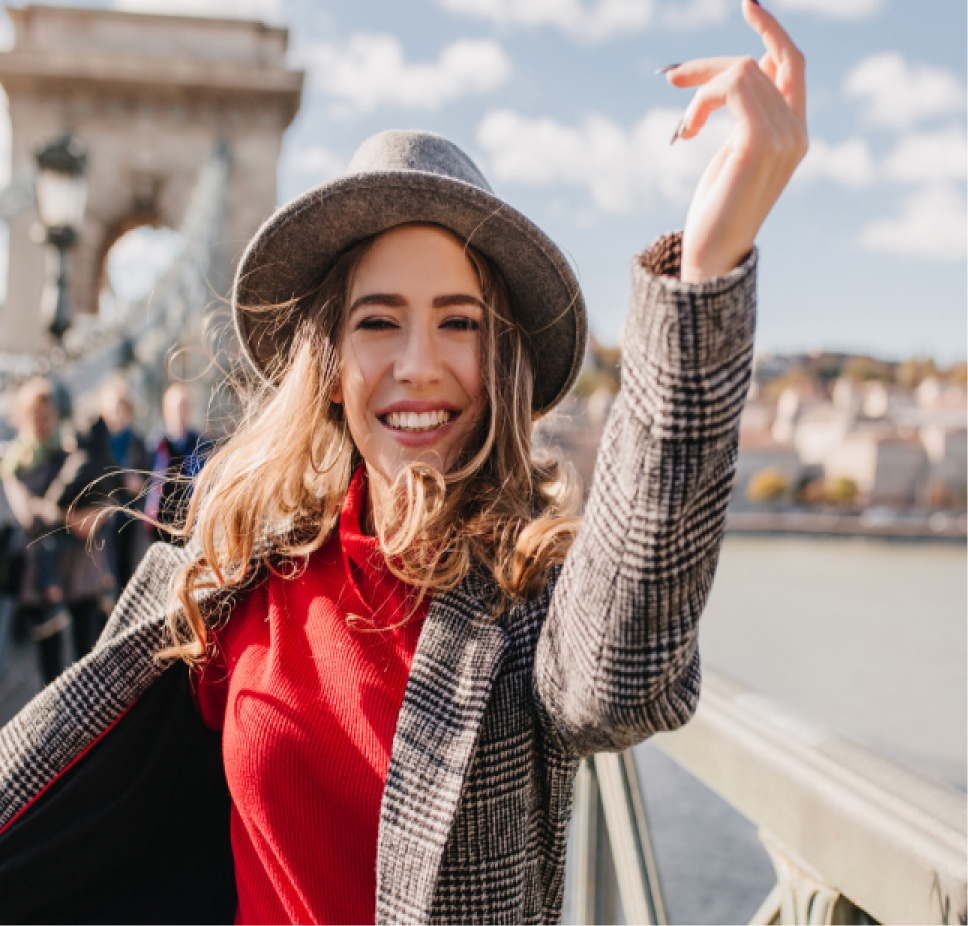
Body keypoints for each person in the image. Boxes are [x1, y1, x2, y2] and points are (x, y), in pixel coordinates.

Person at [0, 5, 807, 924]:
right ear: (332, 363)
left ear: (499, 357)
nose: (419, 362)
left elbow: (625, 675)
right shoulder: (229, 573)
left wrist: (702, 276)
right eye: (378, 320)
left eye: (459, 322)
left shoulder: (527, 595)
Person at [0, 379, 113, 682]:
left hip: (80, 567)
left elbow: (100, 496)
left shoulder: (69, 450)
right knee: (50, 664)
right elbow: (28, 514)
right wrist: (72, 520)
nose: (44, 422)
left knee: (86, 655)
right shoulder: (14, 463)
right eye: (37, 415)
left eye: (48, 415)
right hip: (41, 570)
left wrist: (96, 518)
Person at [97, 379, 152, 589]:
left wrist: (138, 486)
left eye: (122, 409)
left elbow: (148, 478)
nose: (117, 415)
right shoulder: (98, 443)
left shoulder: (137, 443)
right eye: (112, 410)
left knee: (130, 573)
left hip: (131, 516)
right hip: (105, 517)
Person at [144, 383, 208, 543]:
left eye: (184, 408)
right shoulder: (153, 446)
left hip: (191, 525)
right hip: (158, 525)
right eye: (176, 408)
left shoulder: (201, 446)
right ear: (166, 410)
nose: (180, 414)